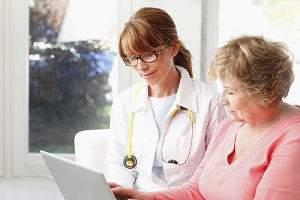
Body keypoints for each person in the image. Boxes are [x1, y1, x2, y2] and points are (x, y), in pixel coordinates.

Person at [110, 34, 300, 199]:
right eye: (222, 90)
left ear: (264, 91)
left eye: (231, 92)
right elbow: (195, 190)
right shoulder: (230, 126)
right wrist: (149, 198)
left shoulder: (294, 139)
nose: (222, 100)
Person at [105, 7, 228, 192]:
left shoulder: (210, 103)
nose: (140, 67)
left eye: (148, 54)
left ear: (174, 47)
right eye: (132, 58)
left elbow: (216, 170)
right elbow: (119, 163)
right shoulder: (125, 102)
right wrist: (119, 189)